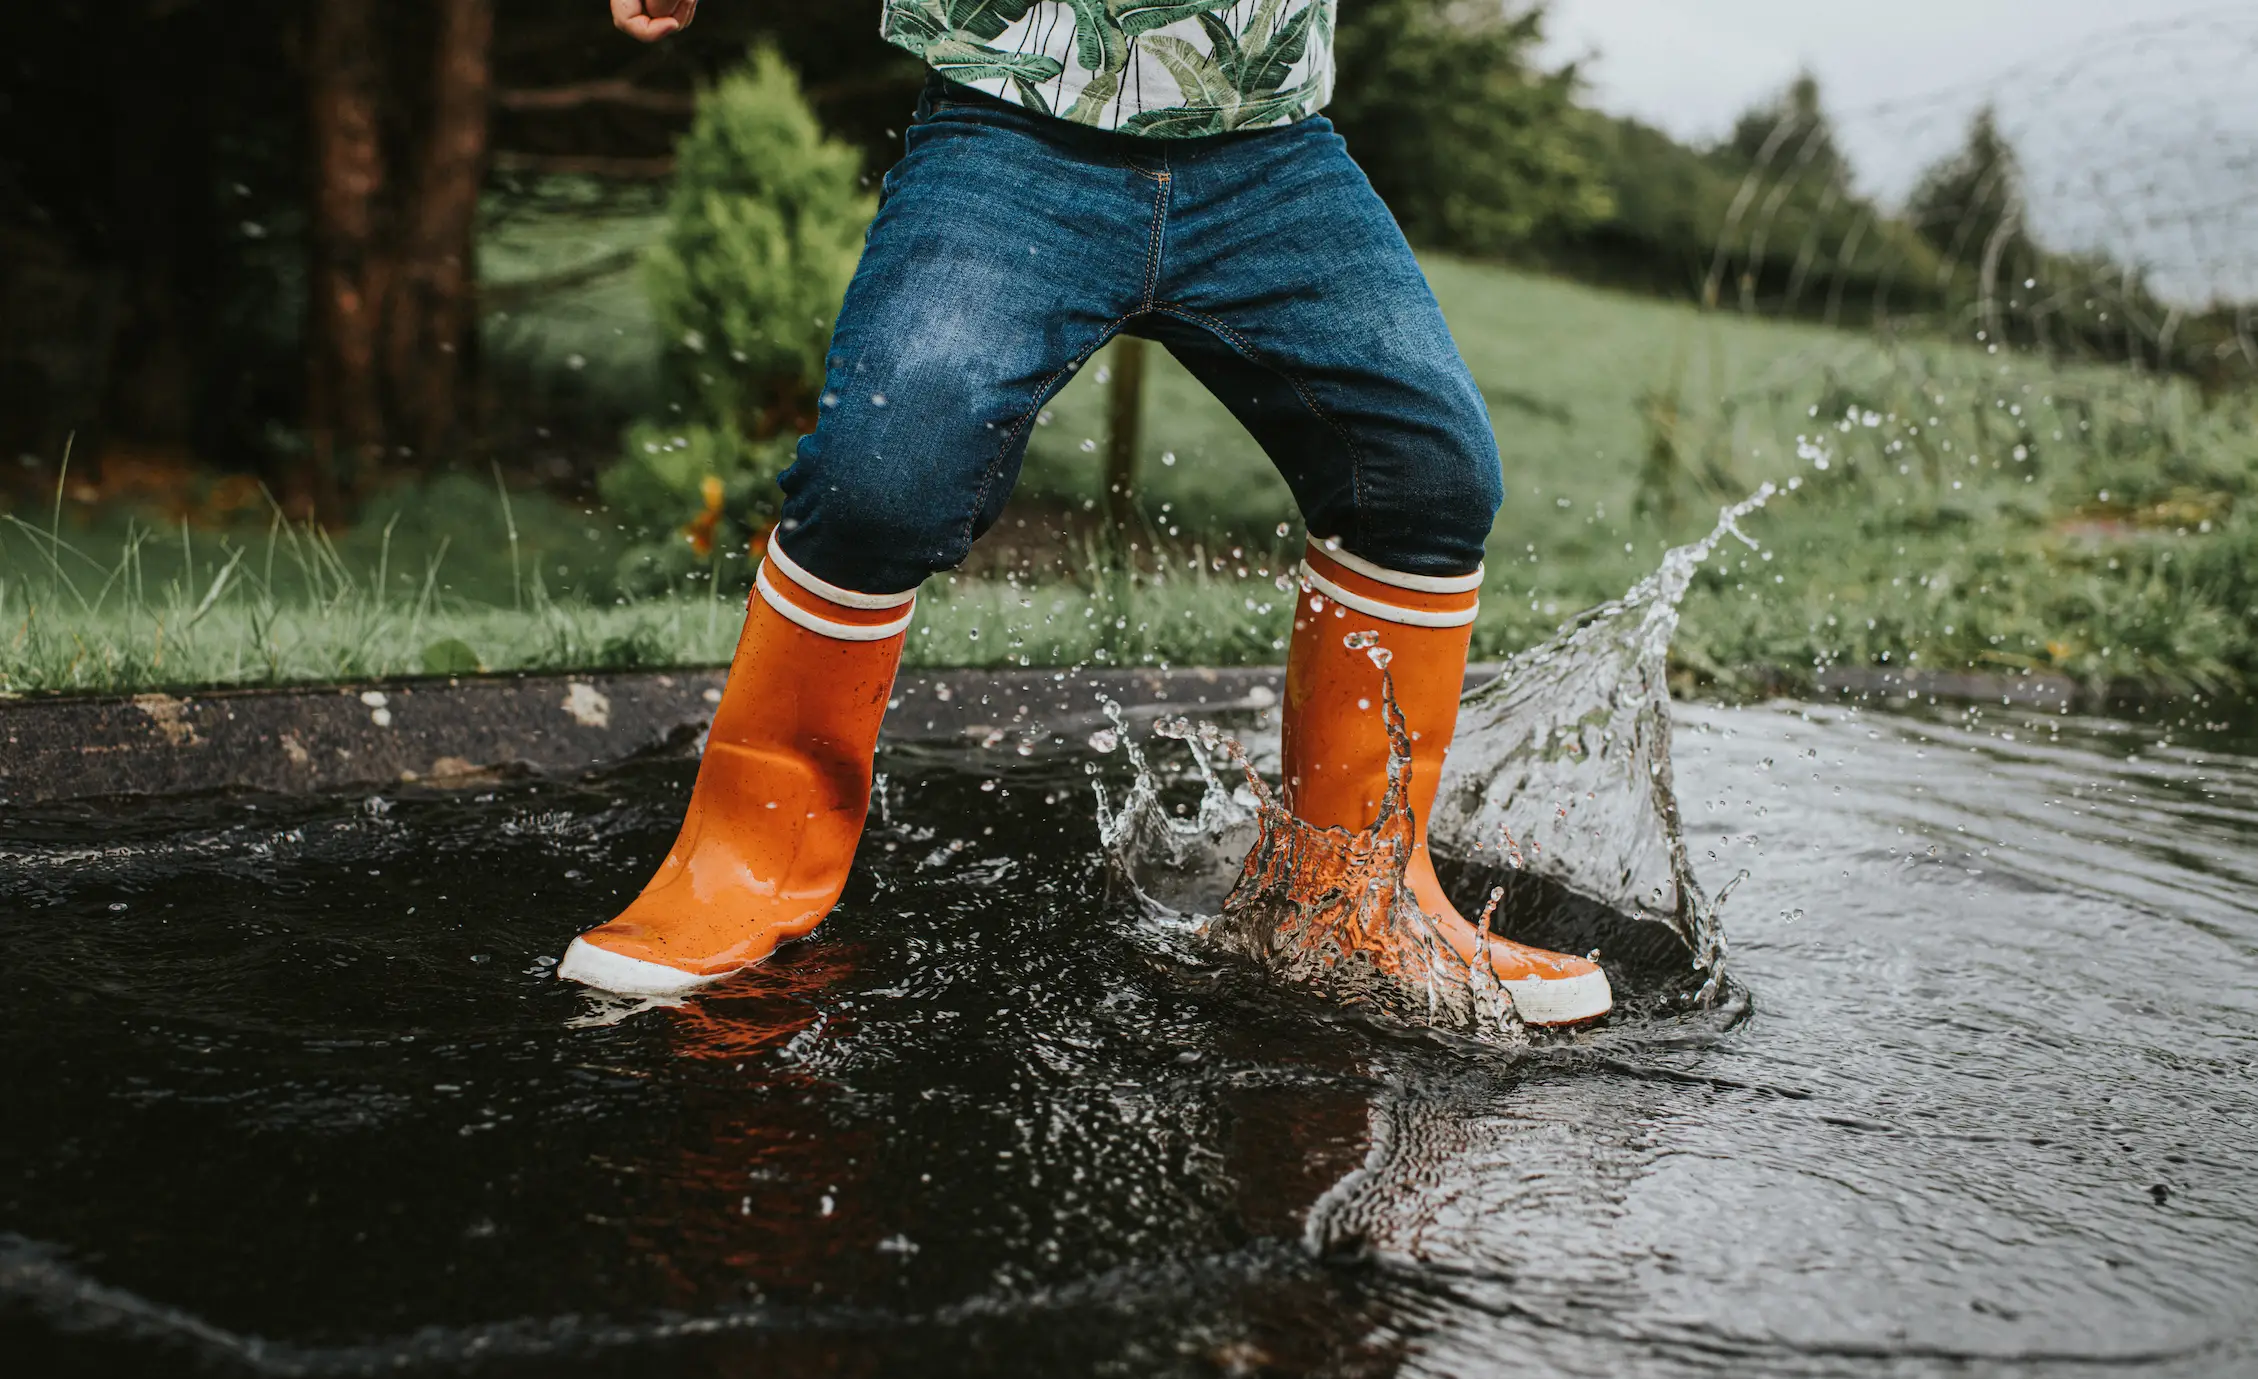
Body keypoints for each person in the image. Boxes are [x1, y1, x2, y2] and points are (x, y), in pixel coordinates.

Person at [562, 0, 1611, 1027]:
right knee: (882, 477)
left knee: (1424, 474)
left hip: (1269, 150)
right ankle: (745, 864)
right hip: (1011, 124)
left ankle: (1350, 901)